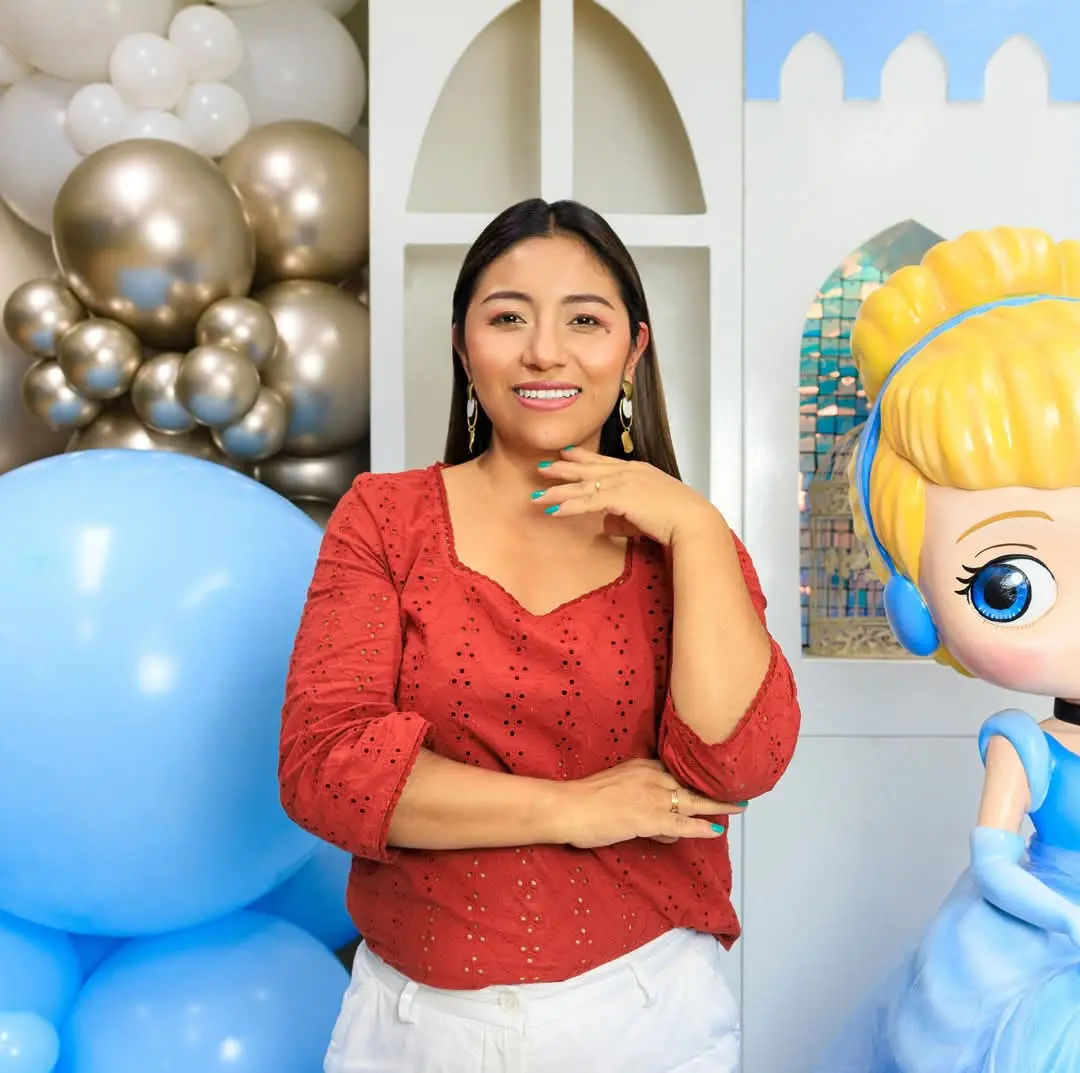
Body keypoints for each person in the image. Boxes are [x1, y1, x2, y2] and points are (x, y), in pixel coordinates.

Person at [279, 197, 800, 1073]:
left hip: (646, 1014)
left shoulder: (687, 542)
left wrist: (697, 529)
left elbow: (735, 768)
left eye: (584, 320)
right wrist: (578, 808)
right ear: (463, 346)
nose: (544, 351)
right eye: (508, 317)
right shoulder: (385, 518)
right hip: (413, 1025)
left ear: (633, 350)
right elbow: (328, 768)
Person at [812, 225, 1080, 1073]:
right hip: (1040, 949)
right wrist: (1070, 924)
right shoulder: (1025, 744)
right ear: (917, 603)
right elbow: (995, 863)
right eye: (1008, 585)